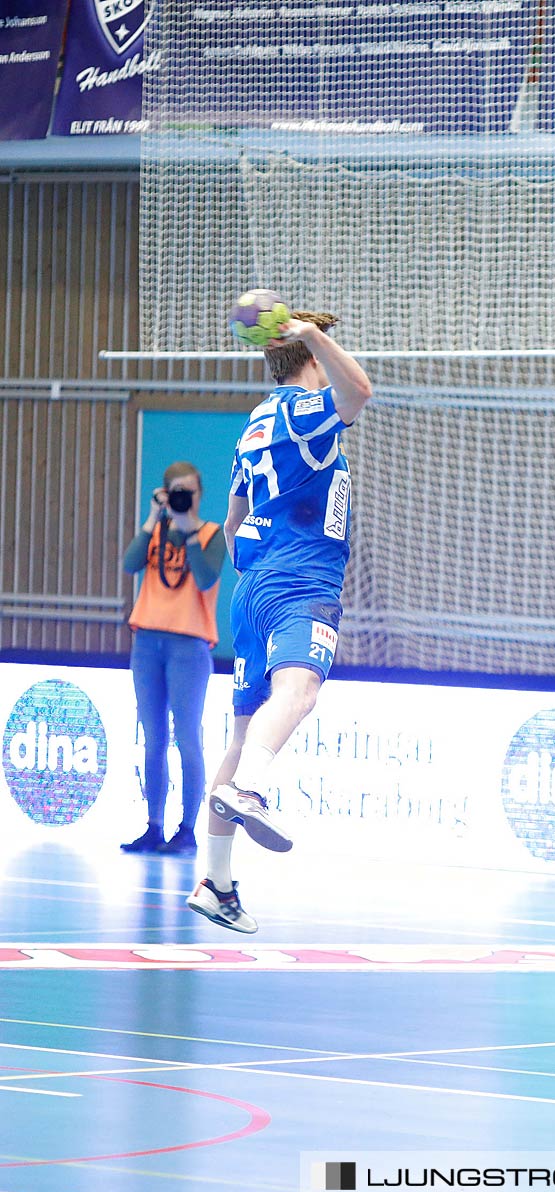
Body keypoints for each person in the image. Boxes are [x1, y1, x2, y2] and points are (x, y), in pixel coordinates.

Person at [187, 308, 372, 935]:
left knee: (243, 736)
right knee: (301, 690)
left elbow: (234, 522)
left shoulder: (253, 426)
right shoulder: (300, 410)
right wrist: (313, 333)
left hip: (255, 585)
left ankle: (216, 883)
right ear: (311, 359)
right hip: (300, 584)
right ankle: (249, 794)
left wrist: (260, 562)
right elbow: (361, 393)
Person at [120, 462, 226, 856]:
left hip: (189, 646)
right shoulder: (156, 532)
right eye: (174, 492)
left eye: (189, 492)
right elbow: (130, 564)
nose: (183, 498)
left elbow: (205, 578)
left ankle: (187, 829)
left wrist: (187, 529)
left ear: (199, 494)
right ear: (164, 494)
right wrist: (154, 518)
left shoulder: (212, 534)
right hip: (147, 641)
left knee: (187, 738)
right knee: (153, 740)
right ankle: (153, 825)